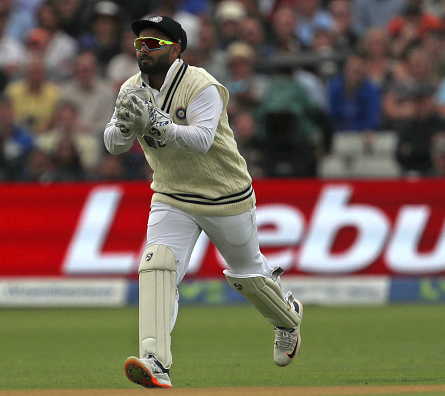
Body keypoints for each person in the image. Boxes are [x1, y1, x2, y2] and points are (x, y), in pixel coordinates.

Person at [103, 15, 304, 389]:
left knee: (249, 276)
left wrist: (155, 123)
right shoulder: (132, 88)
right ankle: (156, 361)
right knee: (157, 265)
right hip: (171, 194)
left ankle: (288, 318)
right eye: (139, 45)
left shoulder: (201, 85)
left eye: (152, 45)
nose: (142, 51)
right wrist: (126, 127)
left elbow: (201, 140)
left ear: (175, 49)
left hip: (224, 194)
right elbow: (113, 142)